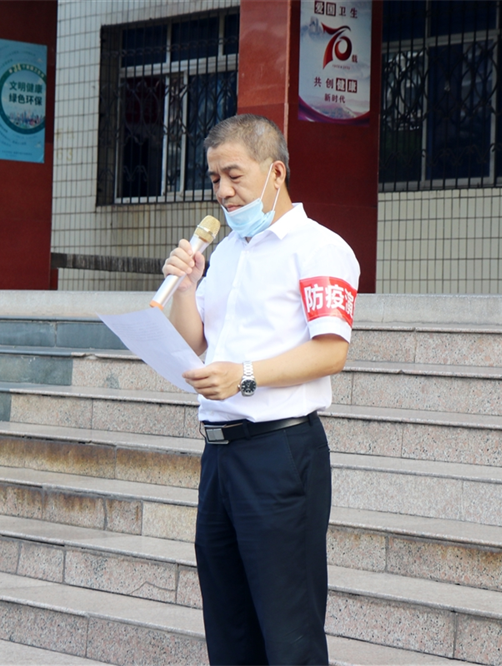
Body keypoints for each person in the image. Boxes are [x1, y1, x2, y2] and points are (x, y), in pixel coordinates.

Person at [162, 114, 360, 666]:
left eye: (234, 175)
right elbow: (196, 342)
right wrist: (186, 287)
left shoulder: (319, 248)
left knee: (288, 632)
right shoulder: (227, 253)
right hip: (219, 456)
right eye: (214, 179)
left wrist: (244, 374)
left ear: (275, 172)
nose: (223, 191)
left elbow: (331, 352)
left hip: (280, 454)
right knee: (229, 629)